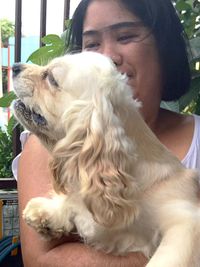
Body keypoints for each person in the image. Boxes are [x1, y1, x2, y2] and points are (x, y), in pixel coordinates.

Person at [14, 0, 200, 266]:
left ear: (164, 49)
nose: (106, 57)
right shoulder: (51, 142)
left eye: (125, 36)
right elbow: (42, 260)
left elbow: (189, 229)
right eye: (91, 44)